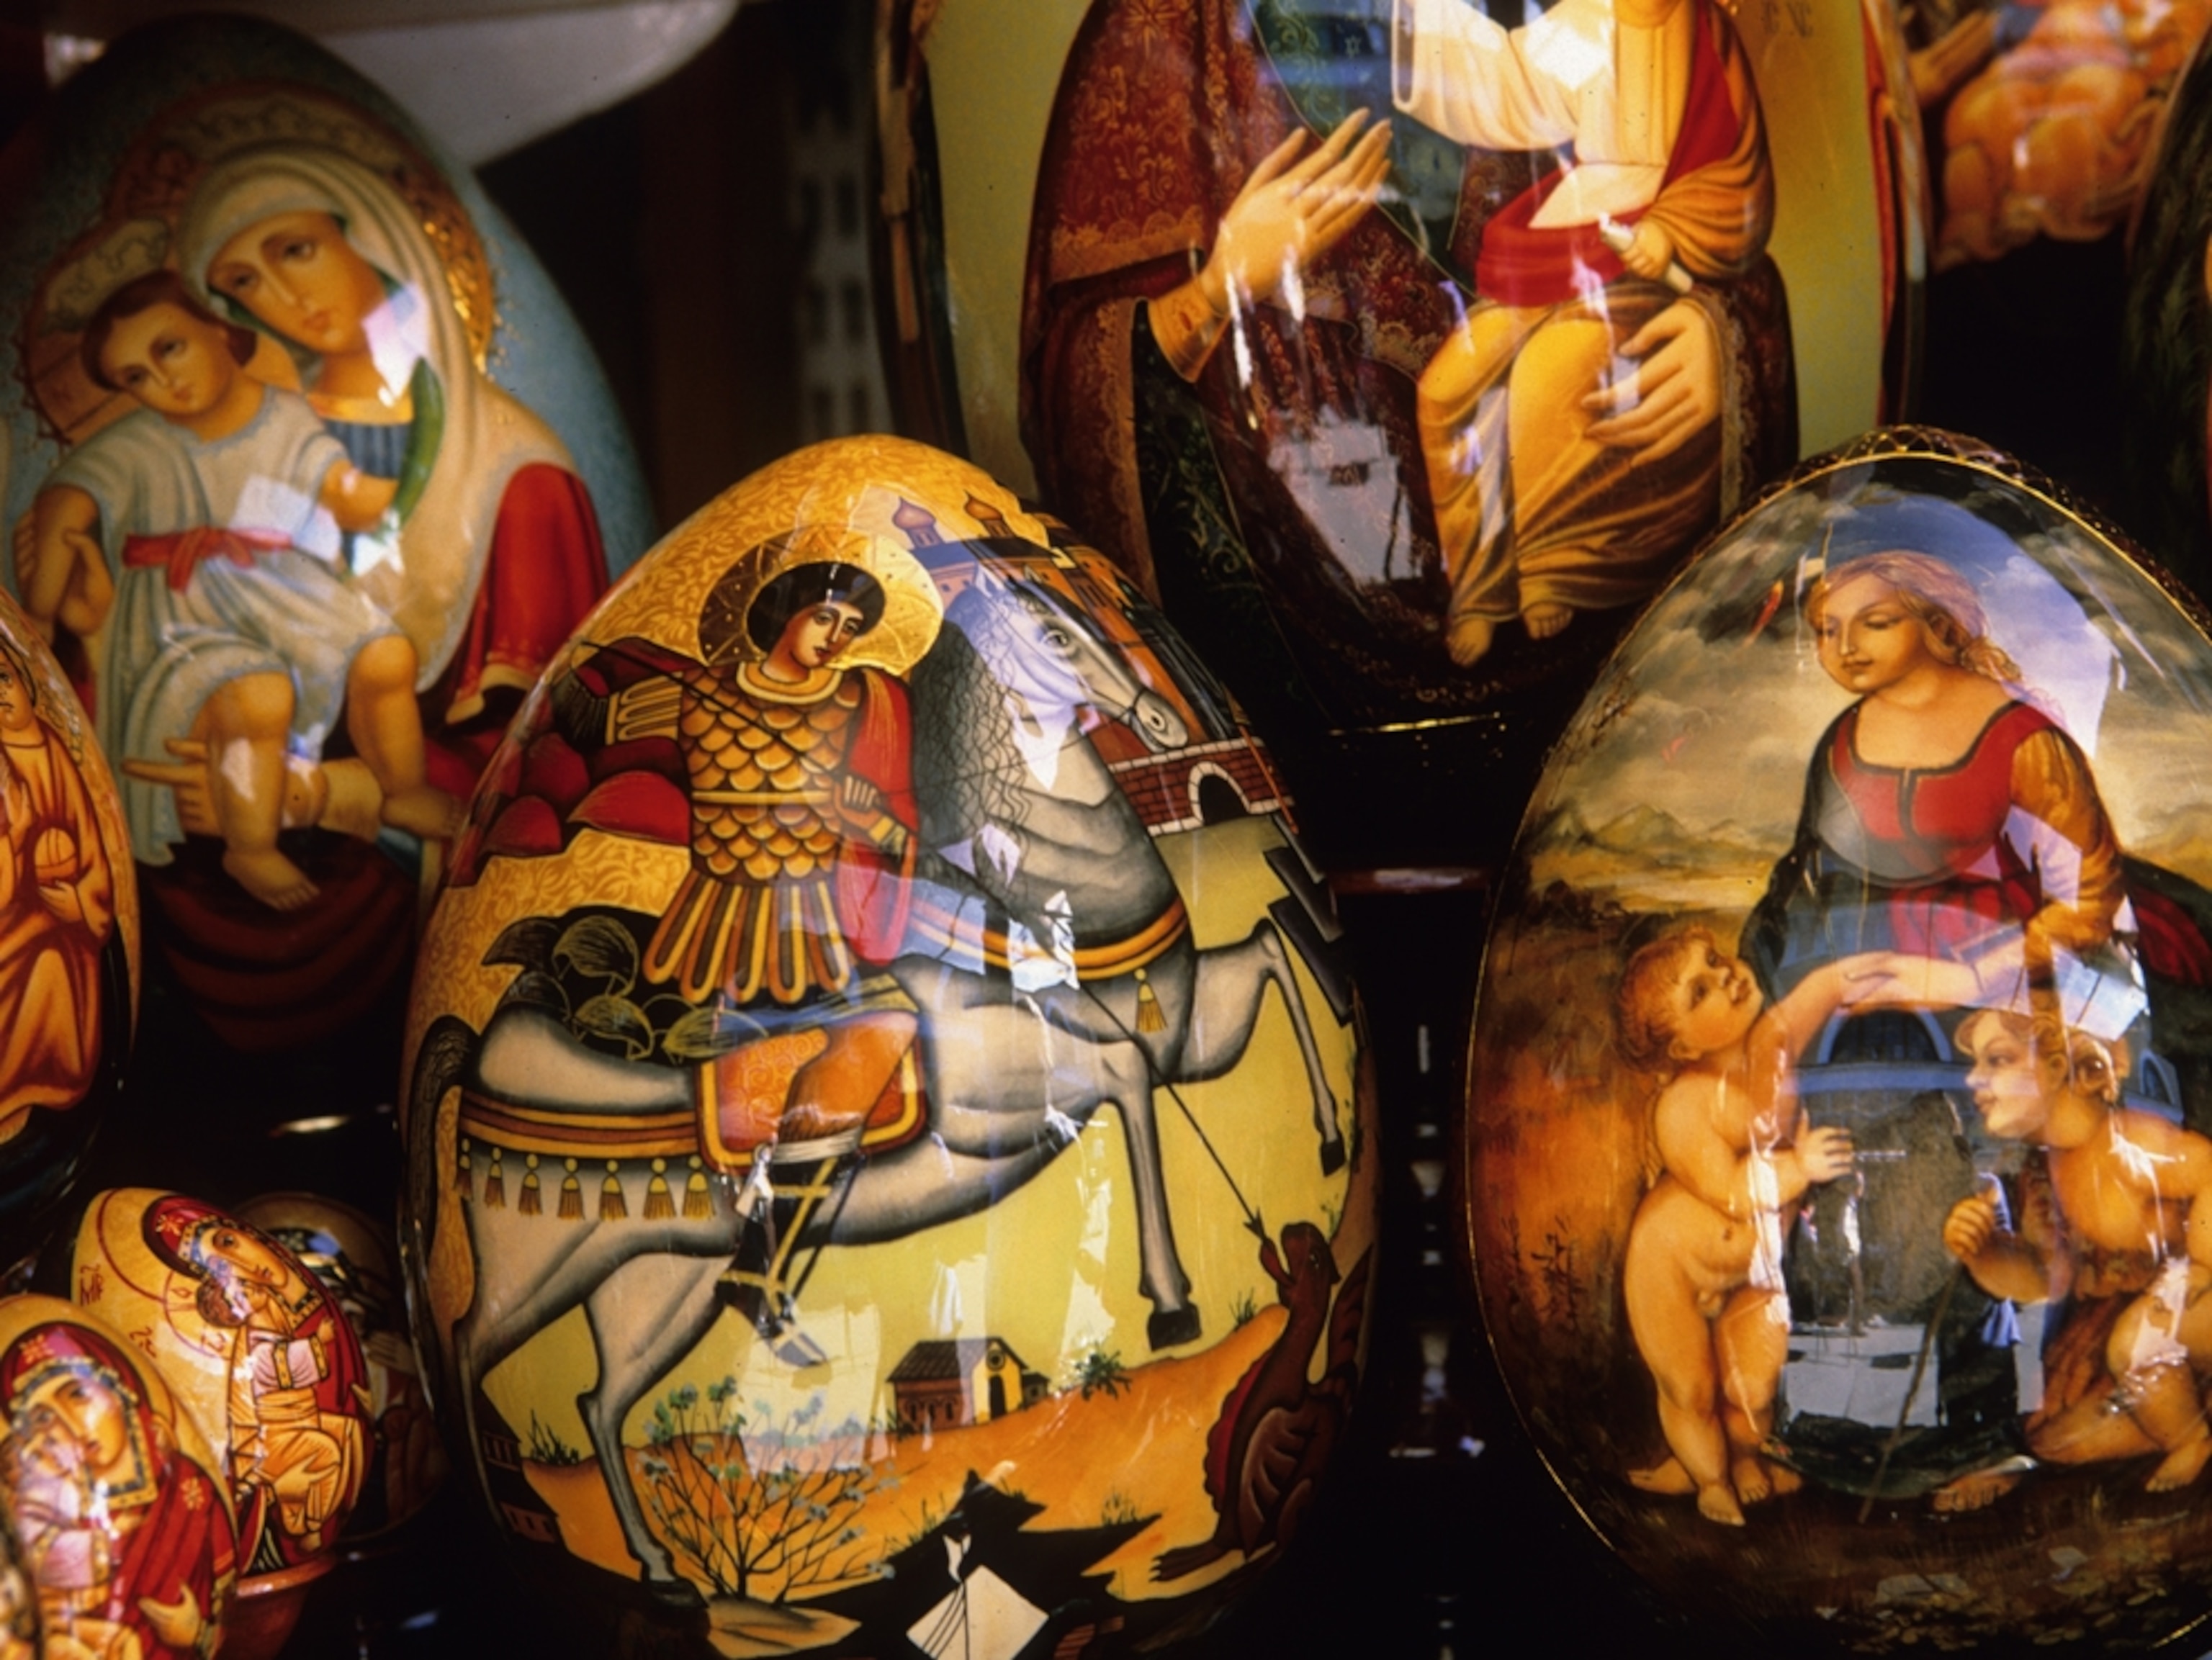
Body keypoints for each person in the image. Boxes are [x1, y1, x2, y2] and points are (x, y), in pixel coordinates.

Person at [1017, 0, 1794, 698]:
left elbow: (1715, 205)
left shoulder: (1592, 16)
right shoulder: (1158, 31)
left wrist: (1715, 339)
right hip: (1289, 678)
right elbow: (1078, 374)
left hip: (1612, 673)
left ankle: (1539, 574)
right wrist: (1216, 290)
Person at [564, 554, 922, 1358]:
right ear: (783, 612)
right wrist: (577, 663)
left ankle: (760, 1264)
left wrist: (872, 822)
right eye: (826, 617)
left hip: (821, 927)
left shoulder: (857, 707)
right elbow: (585, 727)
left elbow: (894, 834)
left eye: (853, 628)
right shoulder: (693, 695)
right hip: (722, 927)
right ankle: (748, 1264)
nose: (836, 639)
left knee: (889, 1028)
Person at [22, 271, 457, 911]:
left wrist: (421, 479)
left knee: (386, 655)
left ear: (220, 330)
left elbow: (338, 489)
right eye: (134, 377)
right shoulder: (135, 445)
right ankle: (248, 846)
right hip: (183, 615)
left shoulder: (283, 413)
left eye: (168, 348)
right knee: (258, 696)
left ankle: (403, 787)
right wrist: (38, 606)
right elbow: (67, 502)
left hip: (285, 594)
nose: (161, 381)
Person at [1391, 0, 1779, 662]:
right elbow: (1505, 86)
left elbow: (1740, 177)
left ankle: (1551, 573)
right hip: (1568, 233)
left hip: (1646, 252)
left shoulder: (1706, 35)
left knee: (1548, 376)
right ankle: (1481, 589)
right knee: (1444, 392)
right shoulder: (1587, 21)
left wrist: (1670, 234)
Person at [1747, 549, 2143, 1007]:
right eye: (1827, 631)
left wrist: (1974, 979)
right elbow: (1810, 877)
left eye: (1876, 623)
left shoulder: (2023, 740)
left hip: (2013, 974)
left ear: (1937, 624)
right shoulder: (1840, 743)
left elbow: (2087, 899)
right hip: (1871, 971)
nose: (1846, 647)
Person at [1611, 926, 1895, 1524]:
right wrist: (1801, 1164)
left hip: (1755, 1268)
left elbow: (1819, 992)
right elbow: (1736, 1192)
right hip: (1671, 1271)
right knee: (1689, 1388)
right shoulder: (1683, 1108)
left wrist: (1868, 970)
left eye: (1716, 960)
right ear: (1683, 1047)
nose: (1727, 977)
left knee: (1752, 1387)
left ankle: (1744, 1458)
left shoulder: (1771, 1043)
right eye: (1701, 991)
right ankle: (1709, 1479)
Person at [1936, 1005, 2212, 1507]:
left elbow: (2206, 1169)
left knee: (2138, 1343)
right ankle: (2189, 1416)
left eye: (1997, 1060)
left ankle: (2192, 1439)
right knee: (2054, 1440)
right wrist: (1985, 1252)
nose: (1975, 1079)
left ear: (2059, 1066)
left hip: (2193, 1306)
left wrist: (2200, 1267)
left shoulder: (2129, 1143)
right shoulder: (2040, 1175)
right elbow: (2047, 1279)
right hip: (2129, 1334)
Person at [143, 1199, 367, 1568]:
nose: (255, 1290)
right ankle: (301, 1518)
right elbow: (282, 1366)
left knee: (347, 1433)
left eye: (229, 1244)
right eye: (246, 1294)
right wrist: (318, 1343)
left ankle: (303, 1509)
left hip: (294, 1421)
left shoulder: (272, 1319)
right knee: (327, 1451)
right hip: (275, 1436)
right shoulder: (254, 1344)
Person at [0, 1320, 236, 1660]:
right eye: (44, 1418)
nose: (68, 1423)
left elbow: (224, 1598)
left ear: (121, 1390)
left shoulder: (189, 1485)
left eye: (78, 1395)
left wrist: (196, 1632)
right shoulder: (58, 1511)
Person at [0, 635, 113, 1134]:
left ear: (26, 684)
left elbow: (93, 849)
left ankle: (39, 1099)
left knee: (56, 961)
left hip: (62, 920)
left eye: (4, 680)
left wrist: (78, 900)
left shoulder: (57, 755)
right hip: (11, 924)